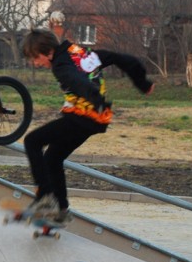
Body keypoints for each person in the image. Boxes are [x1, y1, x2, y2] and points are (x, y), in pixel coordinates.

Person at [20, 27, 154, 223]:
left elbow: (75, 81)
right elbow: (120, 58)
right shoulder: (81, 53)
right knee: (53, 157)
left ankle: (46, 199)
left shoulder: (60, 65)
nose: (36, 64)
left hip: (81, 118)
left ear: (48, 52)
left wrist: (93, 97)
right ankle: (61, 210)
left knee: (32, 141)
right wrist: (142, 82)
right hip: (94, 119)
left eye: (36, 58)